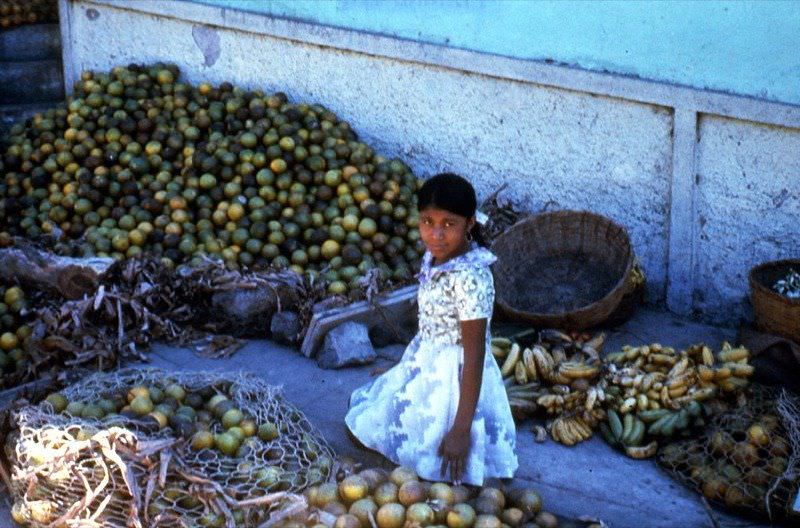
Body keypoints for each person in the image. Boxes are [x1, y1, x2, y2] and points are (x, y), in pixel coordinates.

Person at [345, 173, 517, 486]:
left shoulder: (471, 278)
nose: (436, 234)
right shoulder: (438, 258)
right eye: (427, 221)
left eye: (449, 224)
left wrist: (461, 430)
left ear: (470, 224)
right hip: (427, 358)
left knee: (436, 456)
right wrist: (405, 367)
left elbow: (474, 354)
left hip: (458, 376)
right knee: (369, 423)